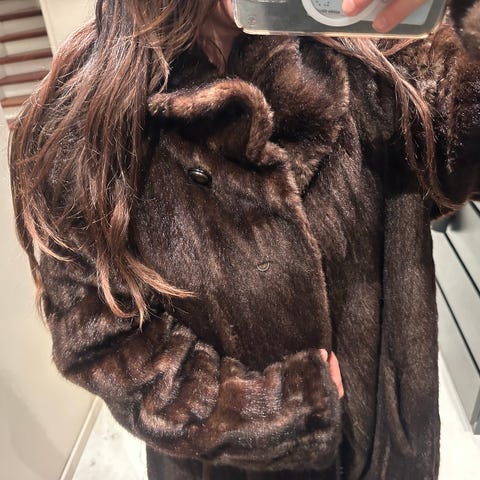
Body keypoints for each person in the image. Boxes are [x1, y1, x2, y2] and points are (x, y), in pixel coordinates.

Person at [8, 0, 479, 479]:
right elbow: (99, 342)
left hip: (387, 454)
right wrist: (271, 410)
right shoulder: (83, 115)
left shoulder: (378, 45)